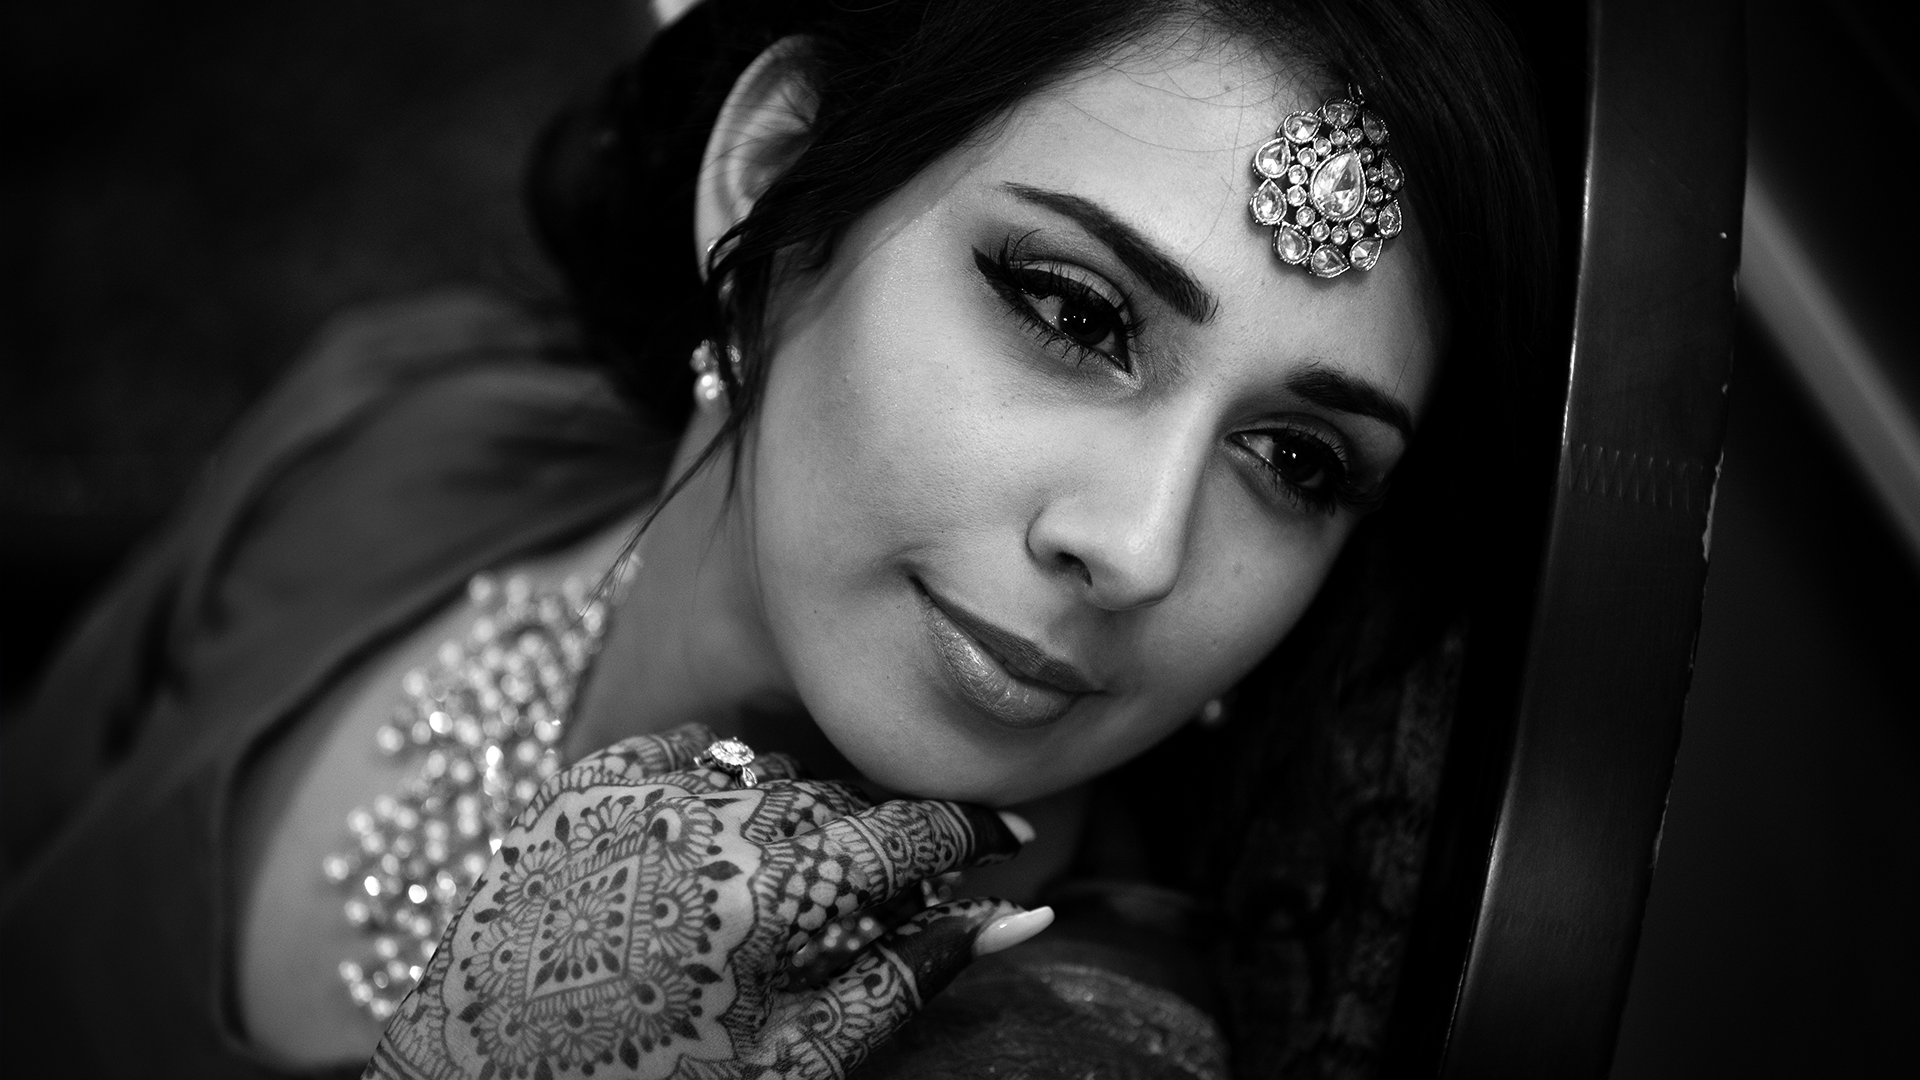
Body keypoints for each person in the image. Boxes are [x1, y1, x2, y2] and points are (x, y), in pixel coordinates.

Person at [0, 0, 1553, 1076]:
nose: (1139, 547)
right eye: (1075, 312)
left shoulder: (1051, 1047)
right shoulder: (412, 435)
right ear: (780, 176)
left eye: (1296, 460)